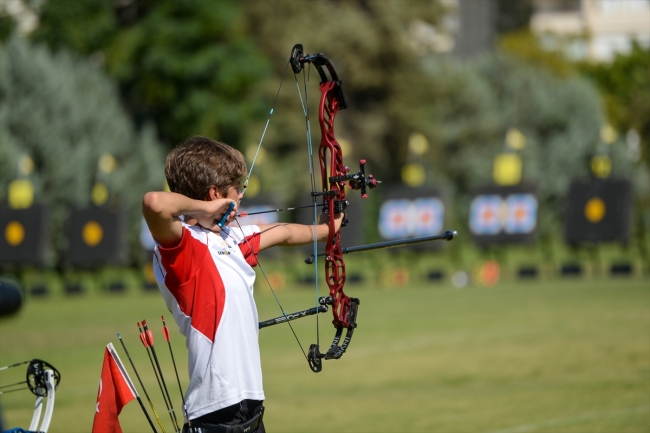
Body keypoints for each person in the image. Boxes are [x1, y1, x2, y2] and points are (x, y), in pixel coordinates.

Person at [142, 136, 343, 433]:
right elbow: (154, 202)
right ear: (216, 194)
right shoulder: (184, 247)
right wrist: (205, 209)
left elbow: (285, 232)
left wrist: (332, 226)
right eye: (237, 187)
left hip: (251, 412)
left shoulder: (234, 238)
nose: (241, 194)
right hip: (214, 416)